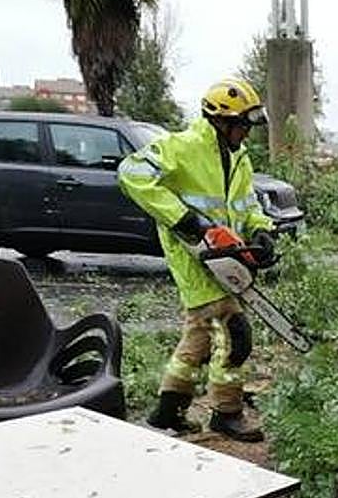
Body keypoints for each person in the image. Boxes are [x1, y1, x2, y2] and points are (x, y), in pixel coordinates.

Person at [118, 78, 276, 442]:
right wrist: (185, 219)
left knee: (199, 338)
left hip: (224, 253)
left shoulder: (238, 157)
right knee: (235, 333)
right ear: (222, 121)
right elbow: (131, 173)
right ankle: (226, 412)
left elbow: (246, 205)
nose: (247, 134)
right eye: (243, 126)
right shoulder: (183, 146)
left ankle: (166, 412)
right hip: (193, 255)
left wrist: (261, 231)